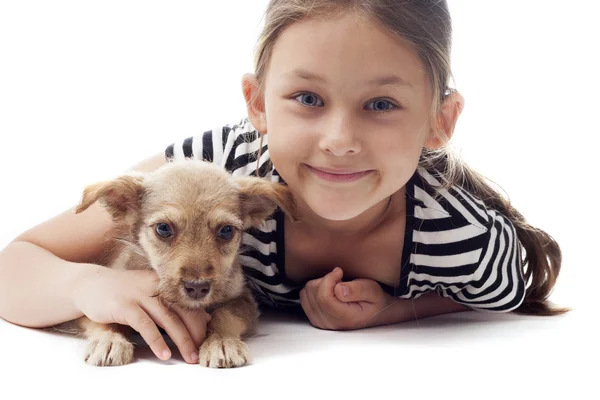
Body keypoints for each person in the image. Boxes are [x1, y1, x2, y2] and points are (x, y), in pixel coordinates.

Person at [0, 0, 568, 365]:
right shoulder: (221, 168)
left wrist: (392, 309)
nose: (339, 138)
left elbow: (513, 286)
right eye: (307, 98)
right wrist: (87, 288)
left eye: (381, 103)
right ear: (257, 104)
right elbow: (13, 267)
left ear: (438, 123)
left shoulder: (459, 238)